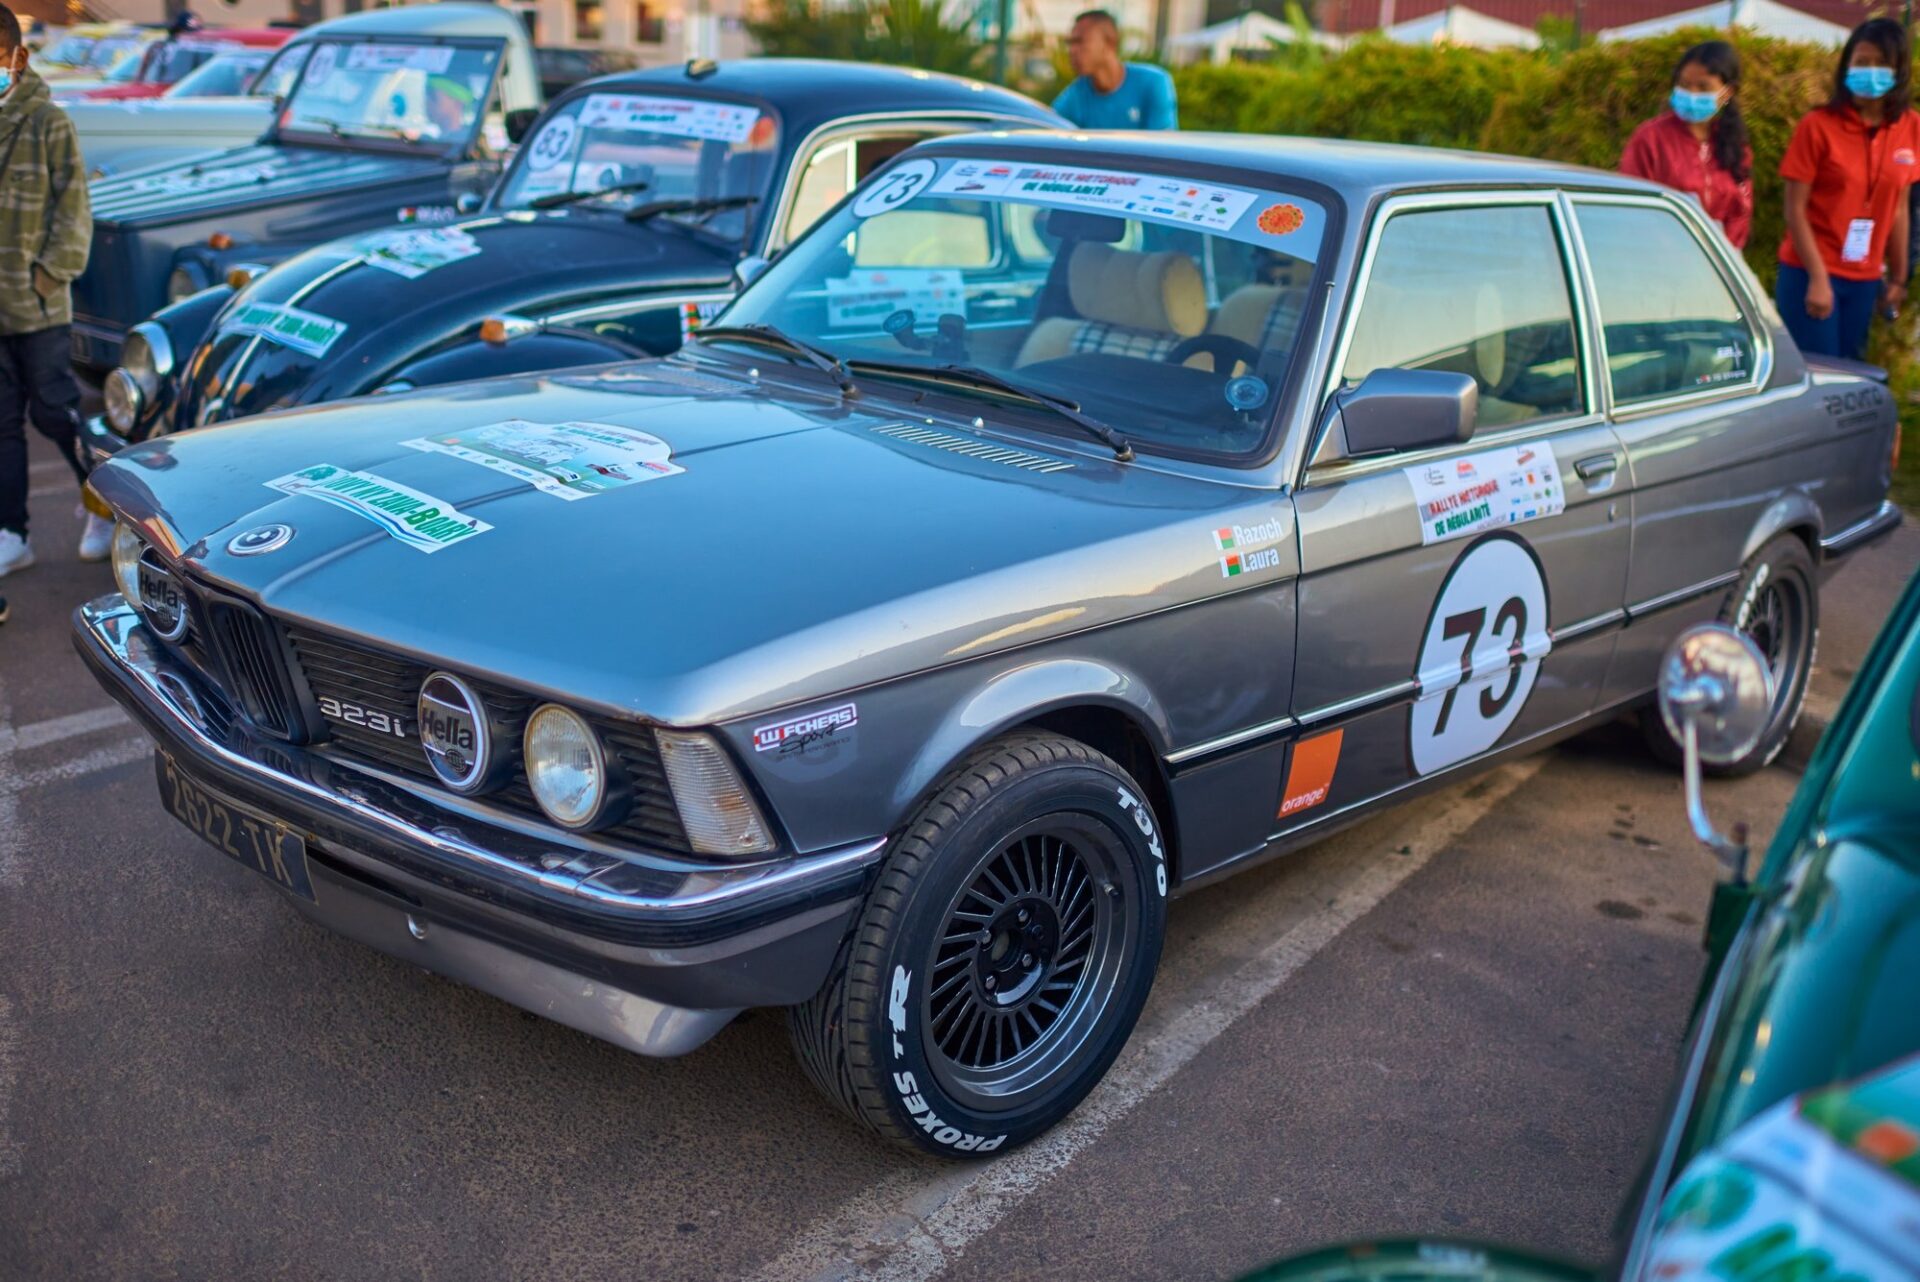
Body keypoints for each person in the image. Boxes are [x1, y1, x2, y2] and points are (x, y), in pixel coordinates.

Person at [0, 1, 100, 578]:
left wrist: (47, 278)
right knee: (2, 422)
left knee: (56, 410)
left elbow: (74, 212)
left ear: (19, 57)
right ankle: (13, 530)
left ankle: (105, 506)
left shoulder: (47, 122)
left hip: (37, 306)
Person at [1776, 18, 1917, 360]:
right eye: (1861, 62)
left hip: (1865, 277)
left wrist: (1898, 279)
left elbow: (1899, 207)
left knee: (1854, 375)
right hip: (1810, 272)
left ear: (1898, 71)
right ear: (1847, 65)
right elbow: (1795, 209)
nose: (1869, 72)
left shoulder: (1911, 126)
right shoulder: (1818, 125)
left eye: (1881, 64)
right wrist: (1819, 279)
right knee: (1822, 376)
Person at [1620, 40, 1753, 248]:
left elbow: (1740, 213)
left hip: (1717, 262)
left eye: (1703, 87)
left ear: (1727, 93)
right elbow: (1631, 205)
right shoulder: (1651, 139)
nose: (1692, 94)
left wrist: (1721, 254)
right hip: (1657, 257)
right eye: (1684, 84)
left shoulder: (1735, 145)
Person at [1053, 10, 1177, 131]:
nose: (1072, 51)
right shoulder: (1074, 95)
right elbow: (1050, 131)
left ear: (1110, 42)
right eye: (1070, 43)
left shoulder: (1153, 82)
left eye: (1080, 41)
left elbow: (1162, 145)